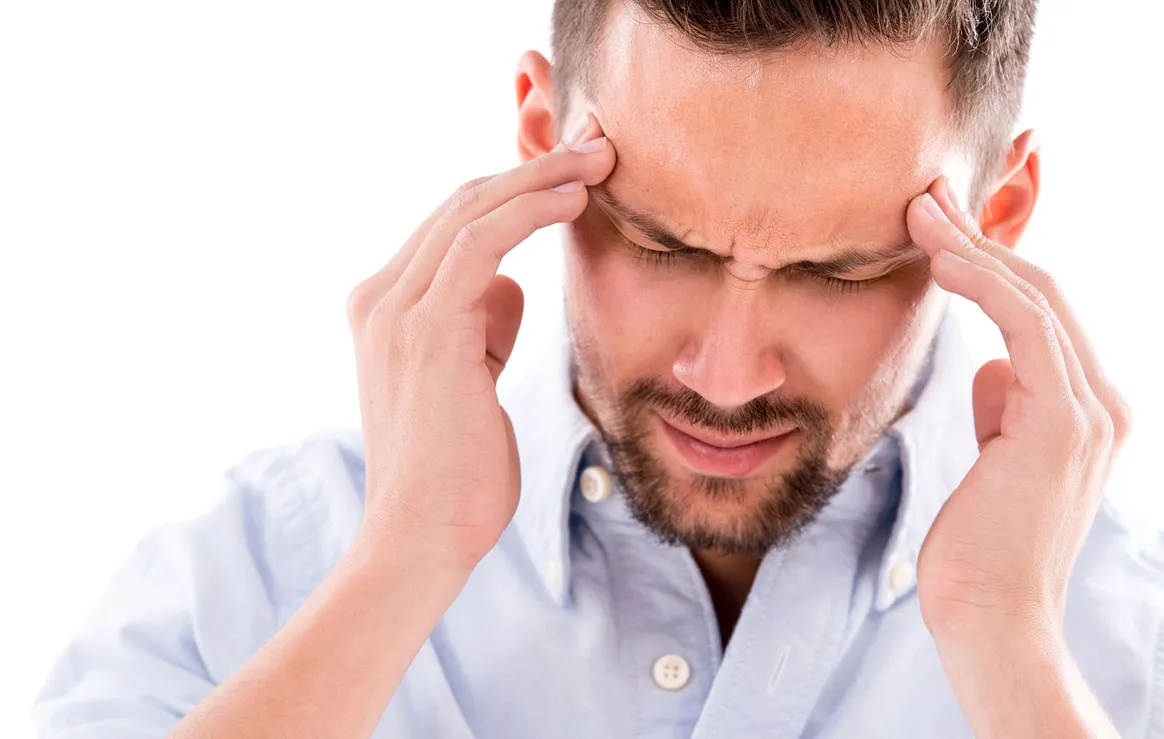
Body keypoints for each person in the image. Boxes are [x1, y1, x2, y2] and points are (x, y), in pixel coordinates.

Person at [33, 0, 1164, 737]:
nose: (726, 376)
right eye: (660, 246)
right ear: (541, 141)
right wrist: (397, 569)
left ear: (998, 212)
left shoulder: (1129, 642)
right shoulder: (257, 572)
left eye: (834, 272)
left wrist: (1010, 648)